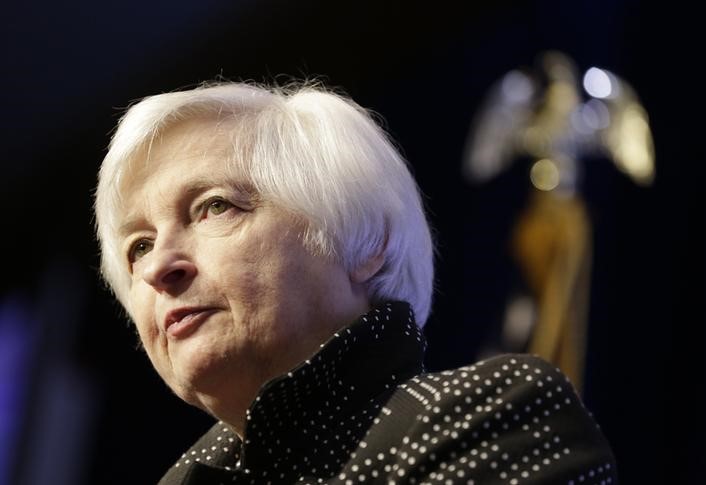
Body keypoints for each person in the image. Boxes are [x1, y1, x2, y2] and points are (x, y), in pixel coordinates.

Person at [94, 81, 617, 484]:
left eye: (214, 207)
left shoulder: (490, 419)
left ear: (363, 243)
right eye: (138, 245)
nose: (158, 267)